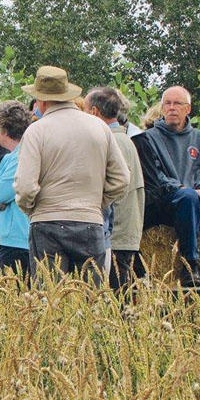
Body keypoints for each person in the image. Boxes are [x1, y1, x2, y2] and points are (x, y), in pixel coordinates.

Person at [14, 66, 130, 285]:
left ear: (41, 100)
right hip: (90, 223)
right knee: (90, 302)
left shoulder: (37, 131)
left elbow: (25, 187)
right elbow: (122, 178)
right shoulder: (99, 127)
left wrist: (32, 209)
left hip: (47, 223)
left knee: (50, 302)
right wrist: (97, 204)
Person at [134, 86, 200, 287]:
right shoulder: (149, 138)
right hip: (165, 203)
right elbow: (155, 176)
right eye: (168, 103)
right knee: (188, 197)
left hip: (196, 200)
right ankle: (190, 266)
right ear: (163, 107)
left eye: (177, 104)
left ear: (188, 109)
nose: (172, 108)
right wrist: (186, 189)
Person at [83, 87, 145, 290]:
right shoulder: (124, 139)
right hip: (123, 232)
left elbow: (112, 186)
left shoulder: (111, 142)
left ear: (93, 112)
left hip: (116, 234)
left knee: (115, 297)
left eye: (84, 110)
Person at [0, 100, 33, 275]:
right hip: (16, 234)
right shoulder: (16, 155)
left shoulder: (18, 157)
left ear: (3, 130)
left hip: (15, 236)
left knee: (11, 294)